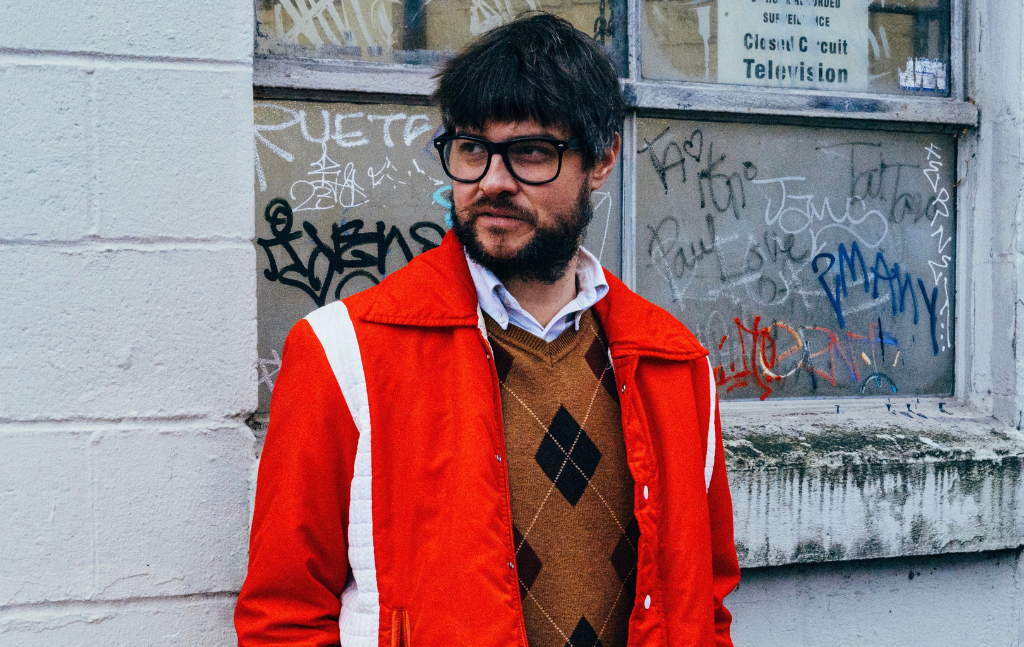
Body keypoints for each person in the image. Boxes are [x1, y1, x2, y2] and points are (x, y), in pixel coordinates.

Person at [235, 13, 739, 647]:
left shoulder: (674, 363)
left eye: (531, 152)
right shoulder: (343, 354)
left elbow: (701, 604)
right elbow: (283, 615)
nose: (493, 182)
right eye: (472, 148)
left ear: (602, 158)